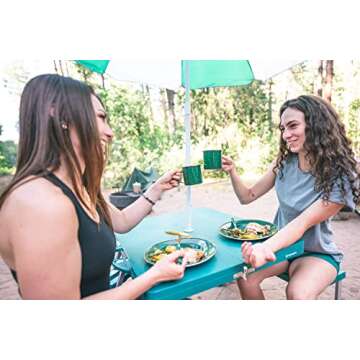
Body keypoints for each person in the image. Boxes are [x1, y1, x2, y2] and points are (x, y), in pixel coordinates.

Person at [0, 74, 189, 300]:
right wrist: (152, 276)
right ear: (61, 115)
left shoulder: (78, 185)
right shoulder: (40, 203)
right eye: (101, 117)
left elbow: (122, 221)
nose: (110, 133)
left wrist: (156, 188)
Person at [222, 95, 360, 300]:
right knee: (245, 277)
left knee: (297, 293)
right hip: (282, 247)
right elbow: (247, 196)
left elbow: (302, 223)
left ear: (315, 125)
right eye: (283, 128)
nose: (286, 134)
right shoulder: (284, 161)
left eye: (293, 126)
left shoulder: (339, 175)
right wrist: (232, 171)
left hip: (316, 252)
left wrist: (264, 247)